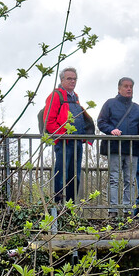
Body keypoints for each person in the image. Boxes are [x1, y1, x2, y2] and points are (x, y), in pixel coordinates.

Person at [44, 67, 95, 205]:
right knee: (61, 174)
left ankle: (70, 206)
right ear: (62, 80)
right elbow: (49, 121)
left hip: (77, 142)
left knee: (75, 176)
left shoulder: (75, 97)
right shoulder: (56, 96)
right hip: (64, 143)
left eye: (74, 79)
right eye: (69, 78)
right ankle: (59, 205)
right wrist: (62, 136)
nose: (72, 81)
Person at [97, 76, 139, 216]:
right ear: (119, 89)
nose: (129, 89)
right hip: (115, 147)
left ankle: (127, 210)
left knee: (130, 180)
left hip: (132, 149)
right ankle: (113, 210)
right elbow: (101, 122)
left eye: (131, 86)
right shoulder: (110, 104)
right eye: (126, 86)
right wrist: (111, 130)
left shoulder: (137, 108)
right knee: (114, 178)